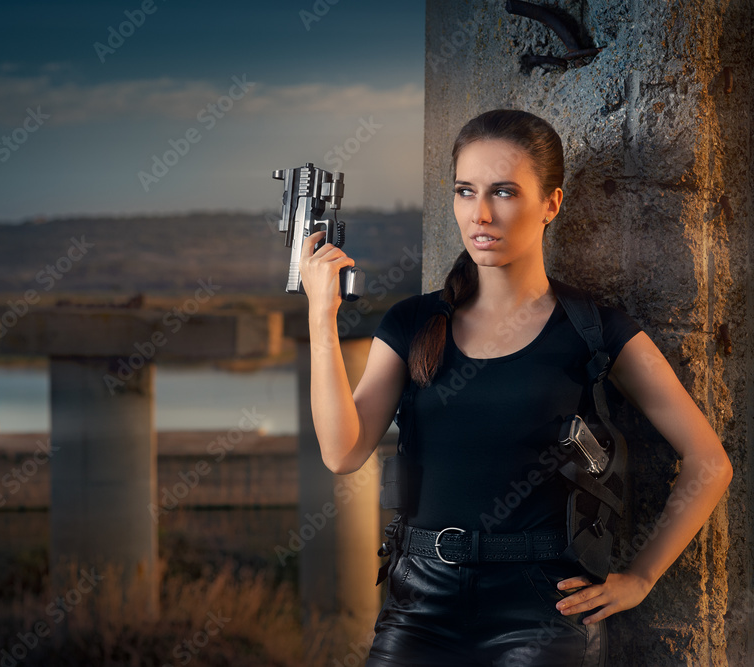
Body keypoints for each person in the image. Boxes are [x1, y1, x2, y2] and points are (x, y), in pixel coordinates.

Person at [297, 108, 733, 666]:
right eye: (464, 191)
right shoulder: (412, 324)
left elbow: (708, 462)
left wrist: (642, 577)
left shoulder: (594, 330)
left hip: (540, 607)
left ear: (550, 203)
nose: (480, 214)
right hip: (418, 601)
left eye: (503, 191)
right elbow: (342, 451)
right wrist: (320, 314)